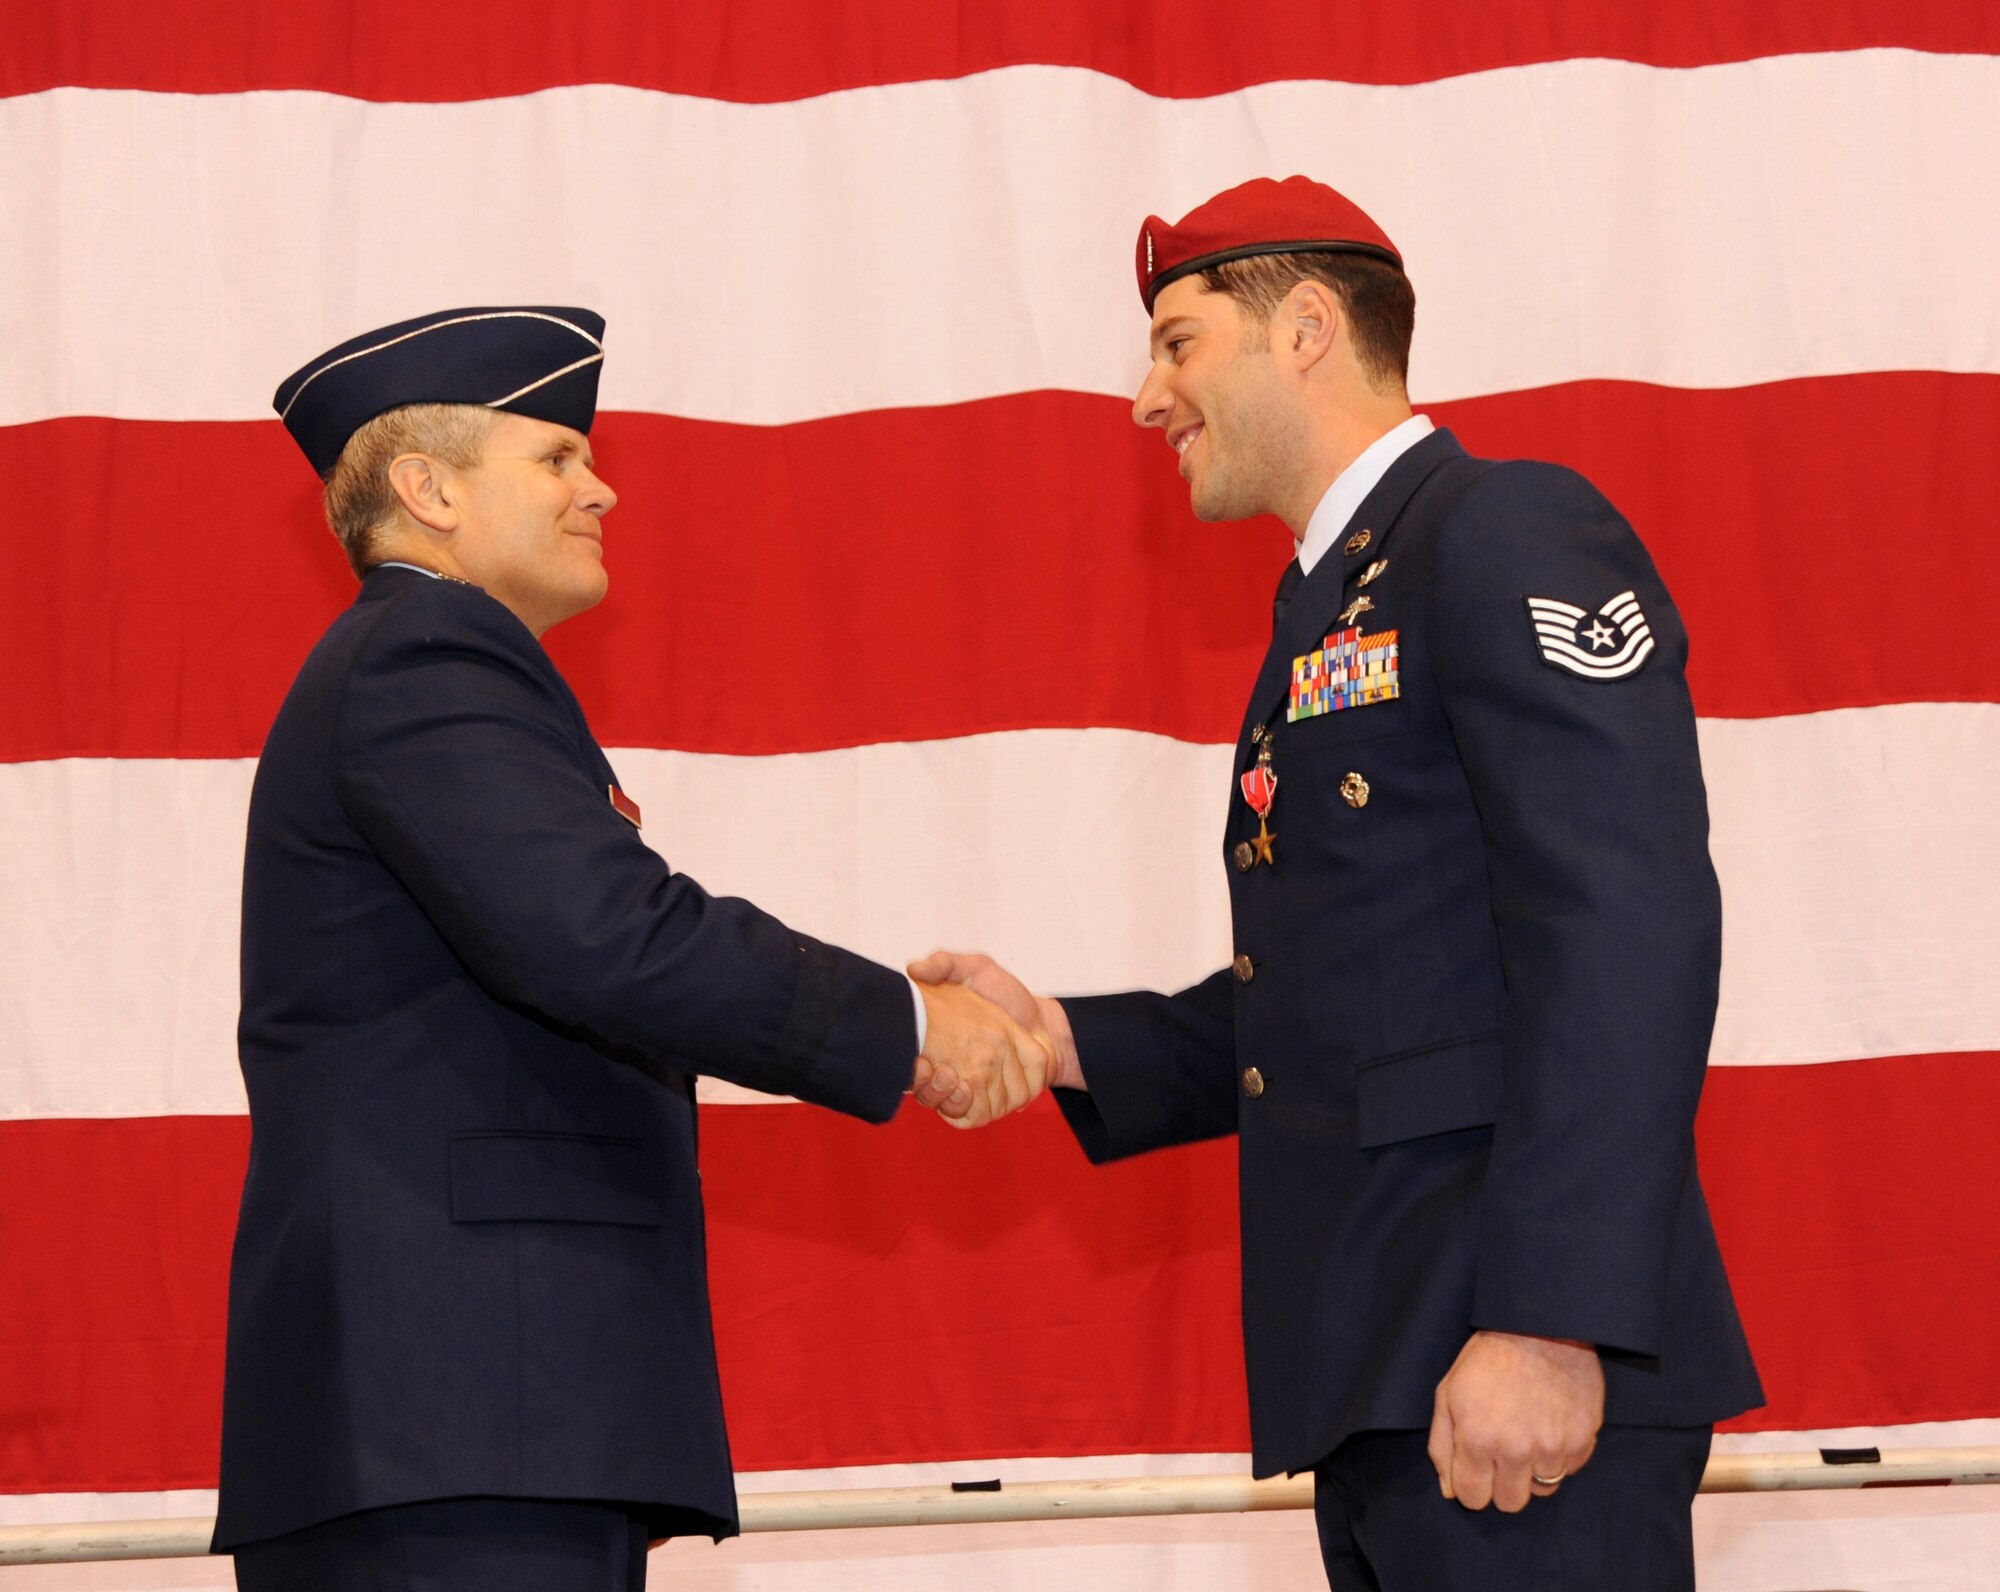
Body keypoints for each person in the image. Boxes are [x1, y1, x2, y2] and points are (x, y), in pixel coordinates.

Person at [914, 178, 1763, 1590]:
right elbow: (1340, 991)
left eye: (1178, 342)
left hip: (1509, 1362)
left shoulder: (1499, 529)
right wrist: (1058, 1038)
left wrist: (1551, 1320)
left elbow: (1625, 925)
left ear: (1304, 327)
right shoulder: (1332, 605)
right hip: (1393, 1376)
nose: (1145, 396)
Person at [213, 305, 1043, 1591]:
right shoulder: (422, 660)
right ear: (427, 488)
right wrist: (913, 1026)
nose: (599, 486)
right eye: (554, 456)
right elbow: (608, 937)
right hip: (457, 1417)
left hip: (467, 1424)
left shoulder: (424, 664)